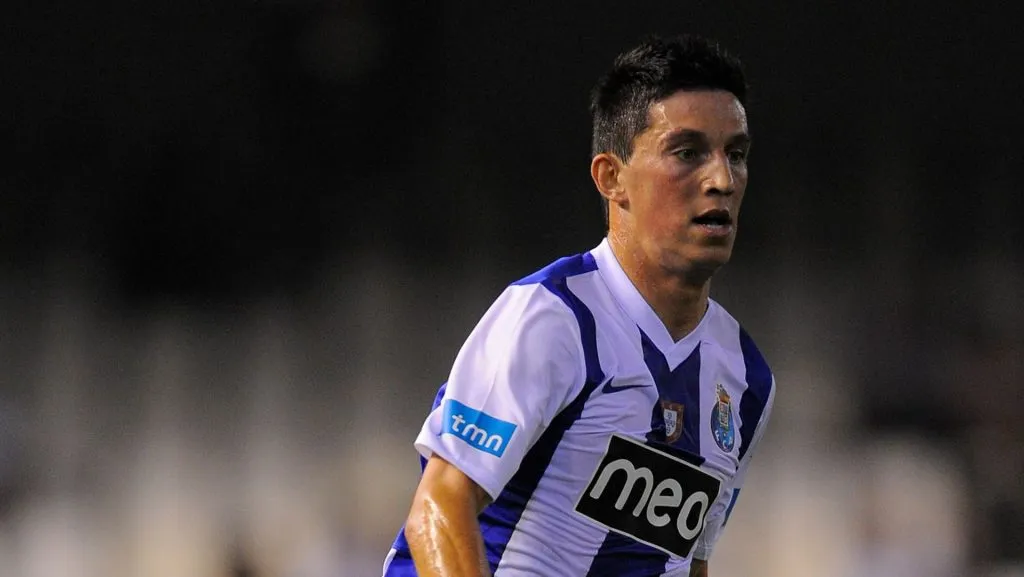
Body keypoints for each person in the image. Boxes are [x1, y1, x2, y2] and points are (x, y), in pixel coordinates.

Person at [382, 34, 776, 577]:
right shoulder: (553, 319)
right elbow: (439, 506)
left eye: (736, 154)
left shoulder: (746, 377)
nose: (721, 179)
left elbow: (687, 563)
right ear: (612, 179)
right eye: (687, 152)